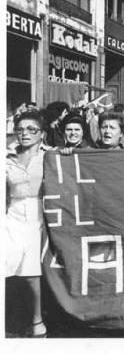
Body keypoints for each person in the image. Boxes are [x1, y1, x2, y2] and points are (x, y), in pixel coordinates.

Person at [5, 111, 52, 337]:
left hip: (38, 213)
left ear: (42, 134)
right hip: (11, 213)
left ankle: (37, 322)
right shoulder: (7, 156)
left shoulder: (51, 156)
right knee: (6, 263)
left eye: (31, 129)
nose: (24, 133)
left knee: (30, 271)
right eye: (20, 129)